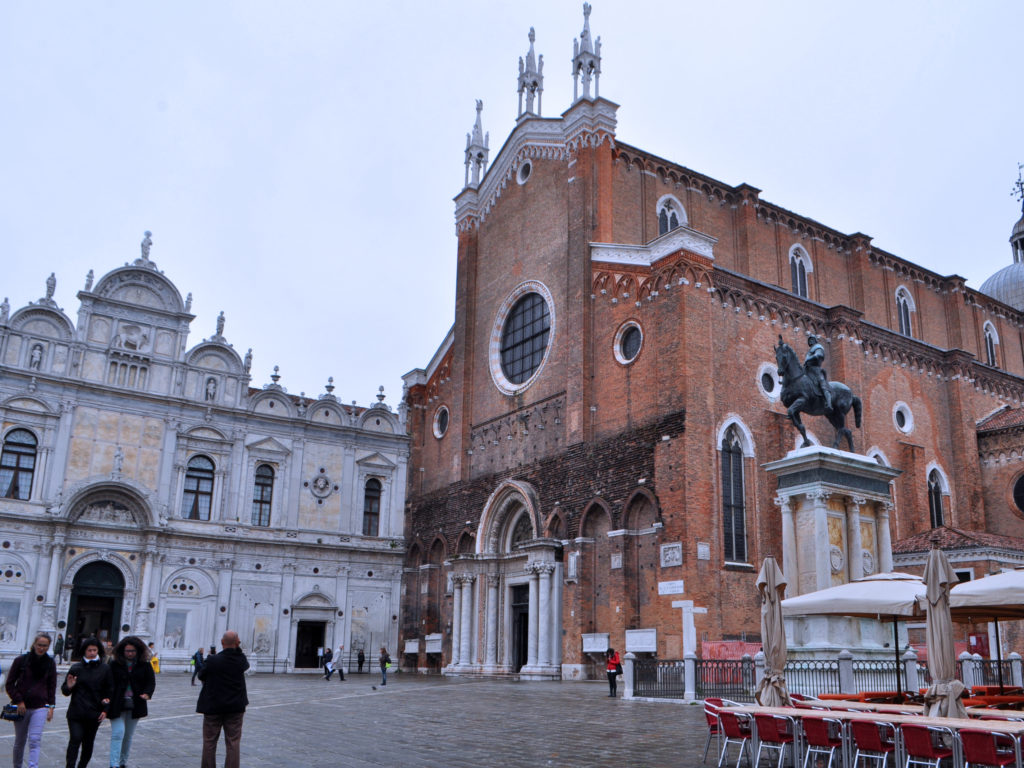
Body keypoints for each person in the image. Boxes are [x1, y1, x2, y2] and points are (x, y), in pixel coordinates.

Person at [196, 630, 249, 768]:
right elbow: (243, 660)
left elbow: (201, 675)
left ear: (221, 642)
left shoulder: (213, 660)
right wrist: (236, 646)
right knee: (233, 742)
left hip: (213, 706)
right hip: (235, 707)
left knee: (209, 741)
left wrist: (211, 657)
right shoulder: (241, 660)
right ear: (237, 643)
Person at [6, 633, 58, 768]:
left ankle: (32, 766)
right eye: (39, 645)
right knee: (20, 740)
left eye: (45, 646)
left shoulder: (50, 663)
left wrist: (51, 706)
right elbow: (10, 684)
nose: (41, 648)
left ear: (48, 647)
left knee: (35, 739)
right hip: (21, 706)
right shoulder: (21, 661)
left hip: (40, 706)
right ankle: (17, 765)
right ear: (34, 644)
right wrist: (18, 700)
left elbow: (52, 686)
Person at [62, 636, 113, 768]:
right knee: (75, 739)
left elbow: (109, 691)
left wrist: (105, 710)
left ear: (98, 651)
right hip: (76, 712)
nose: (92, 653)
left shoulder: (105, 669)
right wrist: (69, 686)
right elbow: (65, 691)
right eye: (89, 650)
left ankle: (82, 766)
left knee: (88, 742)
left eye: (94, 650)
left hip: (94, 712)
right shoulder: (76, 668)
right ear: (84, 651)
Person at [107, 636, 155, 768]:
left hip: (136, 704)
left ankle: (122, 762)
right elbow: (107, 682)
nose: (130, 653)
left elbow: (150, 682)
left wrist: (147, 694)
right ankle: (114, 764)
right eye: (127, 651)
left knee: (128, 735)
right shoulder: (114, 664)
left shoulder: (144, 665)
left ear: (138, 651)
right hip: (116, 703)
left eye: (132, 651)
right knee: (118, 732)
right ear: (122, 651)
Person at [804, 334, 832, 411]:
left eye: (812, 339)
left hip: (816, 369)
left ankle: (829, 403)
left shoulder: (818, 347)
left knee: (822, 384)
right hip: (808, 369)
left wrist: (809, 359)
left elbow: (818, 355)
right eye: (809, 340)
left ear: (815, 340)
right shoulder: (810, 350)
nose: (810, 341)